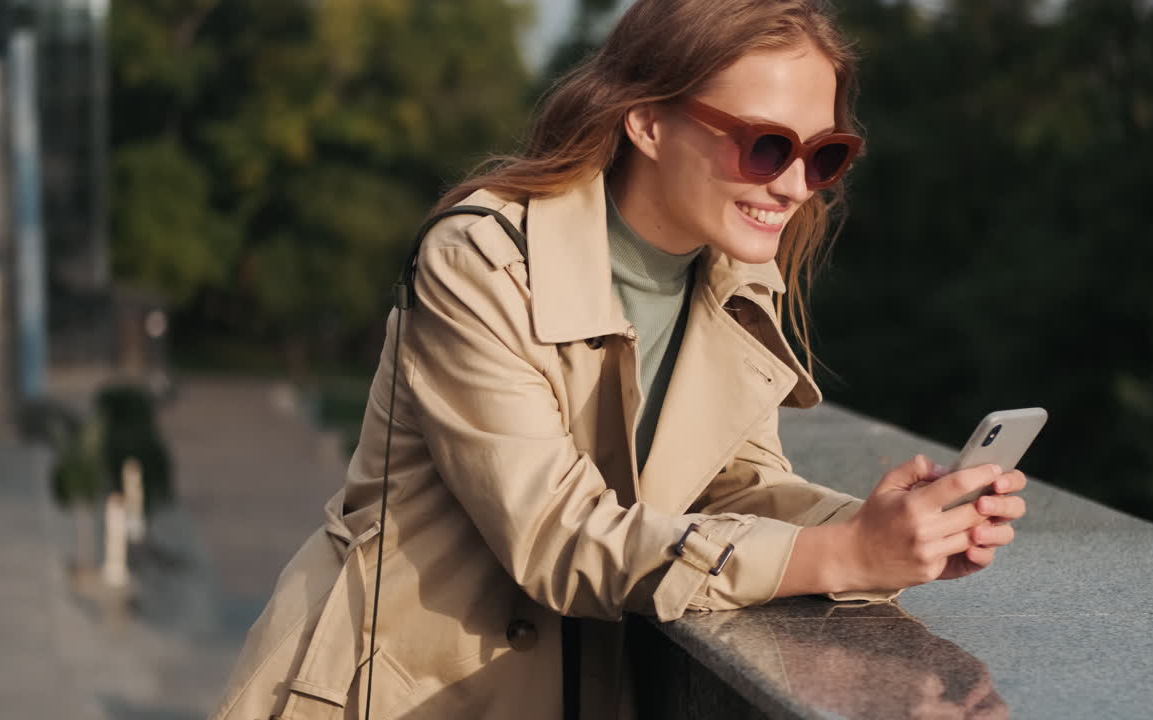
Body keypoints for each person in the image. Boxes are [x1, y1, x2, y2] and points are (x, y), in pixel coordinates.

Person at [209, 1, 1028, 719]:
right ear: (646, 120)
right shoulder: (482, 263)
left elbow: (728, 485)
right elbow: (558, 537)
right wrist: (841, 556)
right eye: (766, 146)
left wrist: (878, 529)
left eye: (823, 156)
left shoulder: (737, 274)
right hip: (392, 697)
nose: (793, 187)